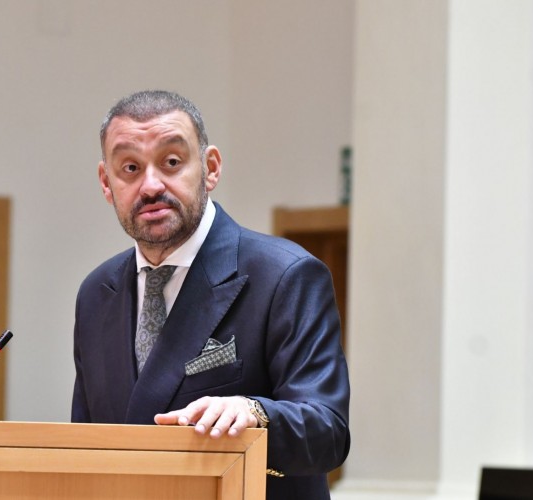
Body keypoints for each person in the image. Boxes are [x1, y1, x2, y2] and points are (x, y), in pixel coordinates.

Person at [71, 90, 350, 500]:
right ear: (106, 183)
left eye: (171, 162)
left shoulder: (285, 275)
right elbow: (84, 447)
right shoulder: (97, 293)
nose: (151, 185)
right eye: (130, 167)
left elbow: (327, 432)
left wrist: (255, 413)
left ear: (210, 168)